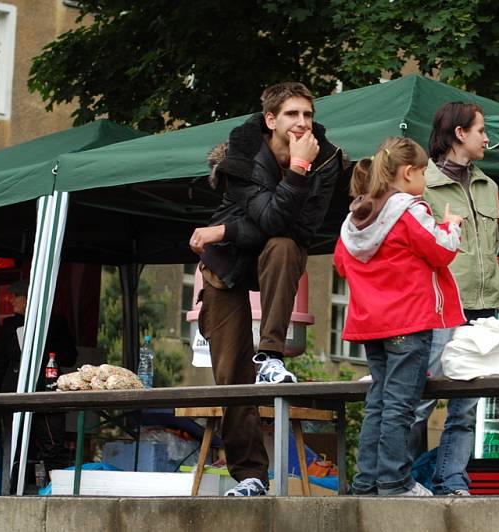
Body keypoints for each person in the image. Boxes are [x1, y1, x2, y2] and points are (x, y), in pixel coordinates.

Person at [189, 81, 344, 496]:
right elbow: (269, 216)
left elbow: (299, 228)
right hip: (225, 264)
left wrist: (223, 227)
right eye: (292, 114)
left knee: (285, 245)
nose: (302, 123)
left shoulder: (326, 158)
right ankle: (250, 475)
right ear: (271, 120)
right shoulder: (241, 154)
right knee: (232, 376)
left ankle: (271, 353)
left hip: (270, 255)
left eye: (308, 115)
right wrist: (294, 172)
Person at [334, 137, 465, 496]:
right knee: (400, 407)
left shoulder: (355, 217)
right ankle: (395, 482)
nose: (425, 179)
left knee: (378, 402)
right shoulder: (410, 210)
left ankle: (366, 482)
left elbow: (342, 263)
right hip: (408, 322)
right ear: (408, 173)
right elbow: (439, 250)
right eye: (423, 172)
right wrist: (451, 225)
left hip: (370, 326)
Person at [407, 101, 499, 496]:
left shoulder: (489, 185)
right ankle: (396, 480)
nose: (487, 138)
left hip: (485, 310)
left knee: (465, 407)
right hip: (440, 310)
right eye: (481, 130)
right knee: (420, 402)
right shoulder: (421, 184)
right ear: (459, 134)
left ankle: (451, 482)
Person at [0, 279, 78, 486]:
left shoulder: (55, 323)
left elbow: (69, 357)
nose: (12, 300)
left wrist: (46, 338)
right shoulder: (9, 325)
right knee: (15, 447)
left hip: (46, 390)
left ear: (29, 299)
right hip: (14, 393)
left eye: (17, 296)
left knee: (52, 446)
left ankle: (56, 490)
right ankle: (13, 490)